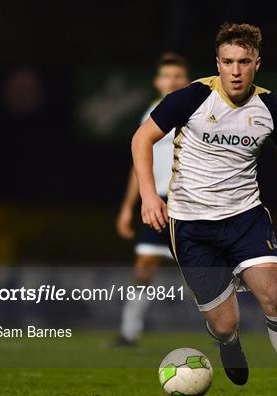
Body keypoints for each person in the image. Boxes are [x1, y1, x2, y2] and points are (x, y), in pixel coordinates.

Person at [132, 23, 277, 396]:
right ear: (217, 64)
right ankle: (227, 342)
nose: (236, 71)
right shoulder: (192, 98)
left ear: (257, 63)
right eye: (228, 62)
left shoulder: (270, 107)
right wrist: (147, 195)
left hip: (246, 219)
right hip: (191, 225)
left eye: (243, 62)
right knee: (224, 323)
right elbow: (142, 138)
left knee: (276, 299)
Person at [116, 53, 190, 346]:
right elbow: (139, 165)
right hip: (156, 200)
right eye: (166, 75)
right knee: (144, 264)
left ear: (186, 80)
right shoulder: (151, 113)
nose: (171, 81)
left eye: (177, 75)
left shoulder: (195, 110)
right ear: (157, 81)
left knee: (200, 270)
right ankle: (129, 332)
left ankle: (224, 332)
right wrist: (126, 208)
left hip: (187, 201)